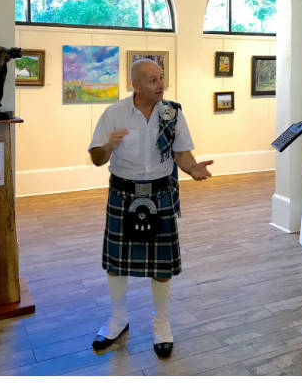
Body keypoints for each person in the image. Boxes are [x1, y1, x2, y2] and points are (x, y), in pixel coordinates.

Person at [87, 59, 213, 358]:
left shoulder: (172, 113)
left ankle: (162, 324)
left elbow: (182, 153)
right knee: (117, 263)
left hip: (160, 195)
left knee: (161, 265)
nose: (161, 85)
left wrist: (193, 168)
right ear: (136, 84)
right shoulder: (114, 113)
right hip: (123, 194)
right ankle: (118, 320)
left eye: (161, 78)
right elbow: (95, 157)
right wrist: (109, 147)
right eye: (153, 80)